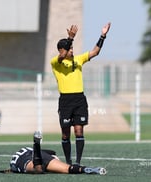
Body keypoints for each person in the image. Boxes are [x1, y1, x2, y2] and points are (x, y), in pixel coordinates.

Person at [50, 23, 111, 165]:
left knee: (79, 131)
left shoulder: (78, 59)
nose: (71, 50)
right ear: (60, 50)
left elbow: (95, 52)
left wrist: (103, 36)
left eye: (72, 48)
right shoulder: (55, 62)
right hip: (65, 100)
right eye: (69, 48)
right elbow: (62, 56)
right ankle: (68, 161)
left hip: (79, 99)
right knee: (65, 133)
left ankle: (77, 162)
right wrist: (70, 38)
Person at [9, 131, 106, 175]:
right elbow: (51, 152)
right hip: (41, 155)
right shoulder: (24, 153)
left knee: (37, 169)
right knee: (67, 169)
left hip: (24, 160)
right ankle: (85, 169)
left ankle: (36, 145)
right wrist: (54, 158)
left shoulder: (15, 162)